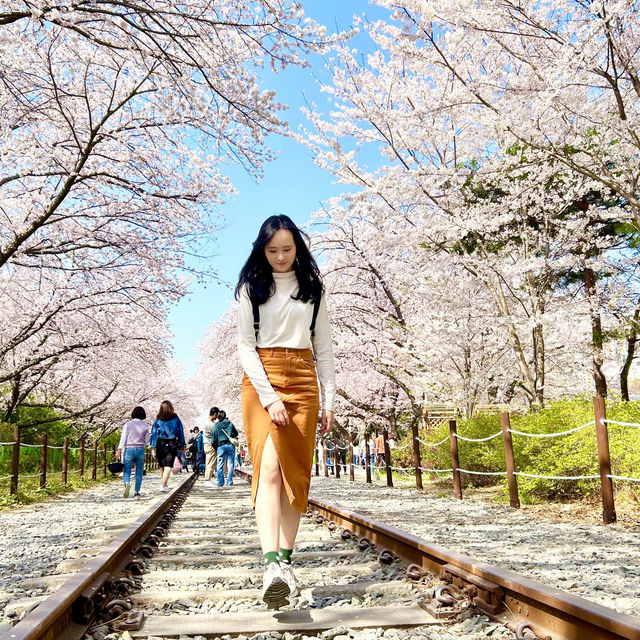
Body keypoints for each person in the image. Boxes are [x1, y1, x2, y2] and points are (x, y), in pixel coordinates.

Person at [236, 214, 335, 609]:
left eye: (287, 250)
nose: (280, 257)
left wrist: (330, 401)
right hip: (262, 377)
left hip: (304, 378)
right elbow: (245, 347)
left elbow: (323, 349)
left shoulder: (313, 289)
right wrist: (270, 397)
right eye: (272, 250)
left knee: (296, 471)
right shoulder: (251, 288)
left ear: (299, 248)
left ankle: (286, 563)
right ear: (262, 249)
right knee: (270, 469)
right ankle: (271, 565)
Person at [149, 400, 186, 493]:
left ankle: (164, 484)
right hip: (172, 443)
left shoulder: (157, 419)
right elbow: (181, 432)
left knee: (162, 466)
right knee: (168, 466)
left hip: (160, 443)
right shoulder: (176, 419)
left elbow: (153, 433)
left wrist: (153, 446)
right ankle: (164, 484)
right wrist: (182, 445)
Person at [116, 406, 150, 498]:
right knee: (139, 471)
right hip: (140, 450)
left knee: (127, 470)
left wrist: (119, 450)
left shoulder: (128, 424)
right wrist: (142, 444)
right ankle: (136, 492)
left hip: (129, 449)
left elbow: (123, 438)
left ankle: (127, 483)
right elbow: (147, 440)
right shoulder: (146, 425)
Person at [210, 409, 239, 487]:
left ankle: (220, 482)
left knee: (220, 465)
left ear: (218, 417)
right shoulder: (230, 424)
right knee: (230, 464)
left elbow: (213, 439)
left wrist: (215, 446)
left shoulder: (216, 426)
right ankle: (229, 482)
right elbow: (236, 433)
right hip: (230, 445)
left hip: (221, 446)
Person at [203, 407, 219, 488]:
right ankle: (207, 480)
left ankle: (208, 479)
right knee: (210, 463)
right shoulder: (211, 424)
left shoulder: (207, 422)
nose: (217, 417)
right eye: (217, 415)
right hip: (210, 445)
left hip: (207, 444)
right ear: (215, 414)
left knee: (209, 462)